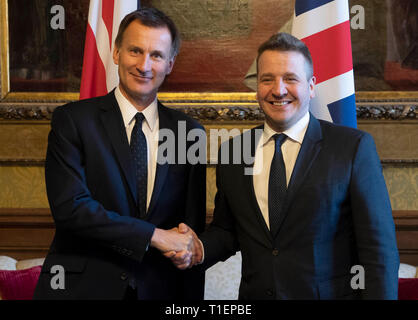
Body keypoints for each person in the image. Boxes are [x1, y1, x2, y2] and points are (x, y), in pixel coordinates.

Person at [167, 32, 400, 299]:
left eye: (290, 78)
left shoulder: (351, 148)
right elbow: (227, 229)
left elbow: (379, 251)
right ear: (257, 87)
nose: (278, 90)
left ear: (311, 86)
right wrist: (198, 248)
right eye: (267, 79)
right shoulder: (234, 151)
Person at [34, 8, 206, 300]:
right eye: (135, 51)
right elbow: (71, 210)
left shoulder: (189, 132)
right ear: (116, 53)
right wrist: (155, 235)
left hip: (160, 290)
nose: (144, 65)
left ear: (170, 64)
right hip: (82, 290)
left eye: (156, 55)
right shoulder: (73, 121)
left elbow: (190, 228)